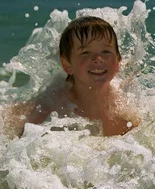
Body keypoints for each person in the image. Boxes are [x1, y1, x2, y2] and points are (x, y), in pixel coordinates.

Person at [2, 16, 139, 137]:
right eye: (85, 52)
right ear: (67, 65)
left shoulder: (125, 112)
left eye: (106, 51)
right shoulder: (51, 107)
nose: (98, 59)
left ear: (117, 63)